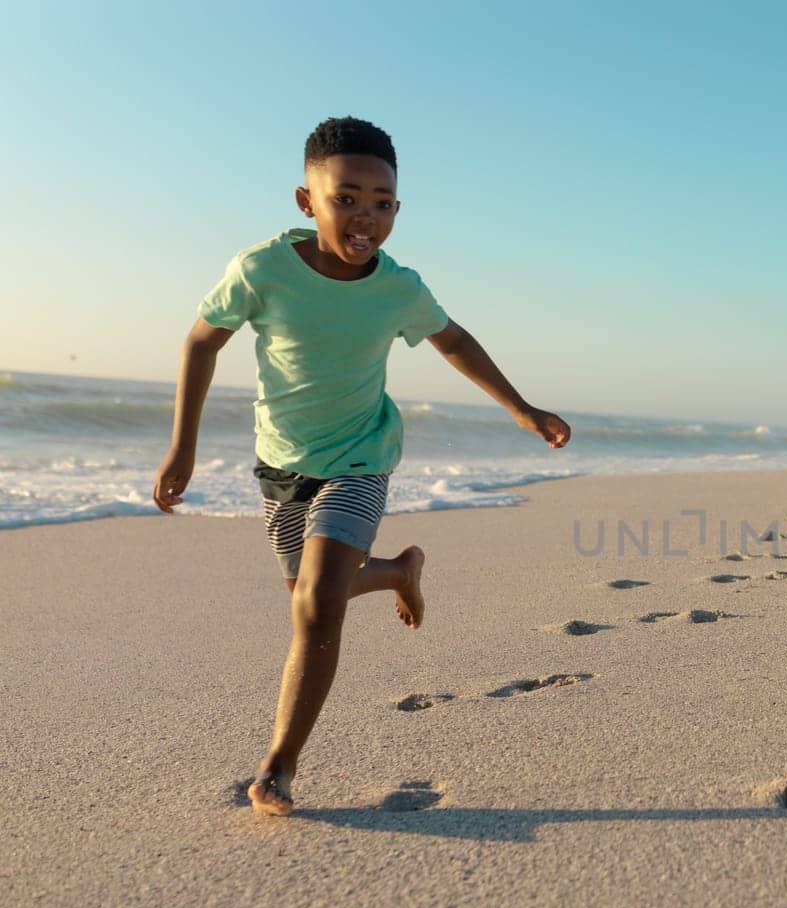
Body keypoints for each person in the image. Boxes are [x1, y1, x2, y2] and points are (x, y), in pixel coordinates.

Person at [152, 117, 571, 816]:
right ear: (305, 201)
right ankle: (400, 569)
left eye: (381, 202)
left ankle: (279, 766)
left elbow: (454, 339)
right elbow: (201, 342)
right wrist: (183, 445)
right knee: (309, 595)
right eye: (345, 198)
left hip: (361, 458)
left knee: (316, 604)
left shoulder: (397, 287)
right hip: (282, 466)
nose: (365, 217)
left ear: (398, 211)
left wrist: (521, 409)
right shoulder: (261, 270)